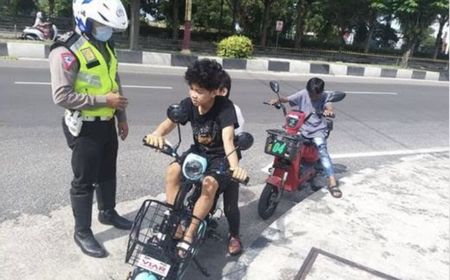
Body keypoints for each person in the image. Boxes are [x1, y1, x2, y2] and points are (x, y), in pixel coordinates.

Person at [49, 0, 132, 258]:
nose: (106, 29)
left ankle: (107, 212)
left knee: (108, 172)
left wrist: (121, 116)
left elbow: (113, 81)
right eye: (102, 24)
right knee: (84, 180)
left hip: (107, 123)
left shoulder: (106, 44)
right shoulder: (66, 49)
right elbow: (61, 96)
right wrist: (102, 101)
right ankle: (82, 231)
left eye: (109, 26)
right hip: (84, 126)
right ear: (85, 19)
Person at [145, 59, 248, 258]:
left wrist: (235, 168)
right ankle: (174, 220)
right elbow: (170, 122)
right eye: (191, 88)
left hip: (221, 157)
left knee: (213, 189)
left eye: (199, 91)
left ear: (214, 91)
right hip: (198, 152)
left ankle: (191, 233)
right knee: (173, 169)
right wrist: (157, 134)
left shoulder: (225, 107)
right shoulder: (188, 104)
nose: (193, 94)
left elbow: (228, 139)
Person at [269, 77, 342, 198]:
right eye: (310, 94)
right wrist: (277, 100)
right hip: (300, 127)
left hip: (317, 129)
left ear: (321, 92)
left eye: (315, 95)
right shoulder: (304, 93)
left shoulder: (325, 97)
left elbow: (329, 107)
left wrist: (328, 111)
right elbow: (288, 99)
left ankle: (332, 181)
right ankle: (279, 171)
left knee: (322, 151)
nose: (312, 97)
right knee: (285, 142)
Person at [217, 70, 244, 255]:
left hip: (227, 161)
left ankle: (234, 234)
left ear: (222, 91)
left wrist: (233, 167)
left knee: (230, 206)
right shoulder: (202, 106)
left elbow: (233, 141)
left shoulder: (233, 112)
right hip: (206, 160)